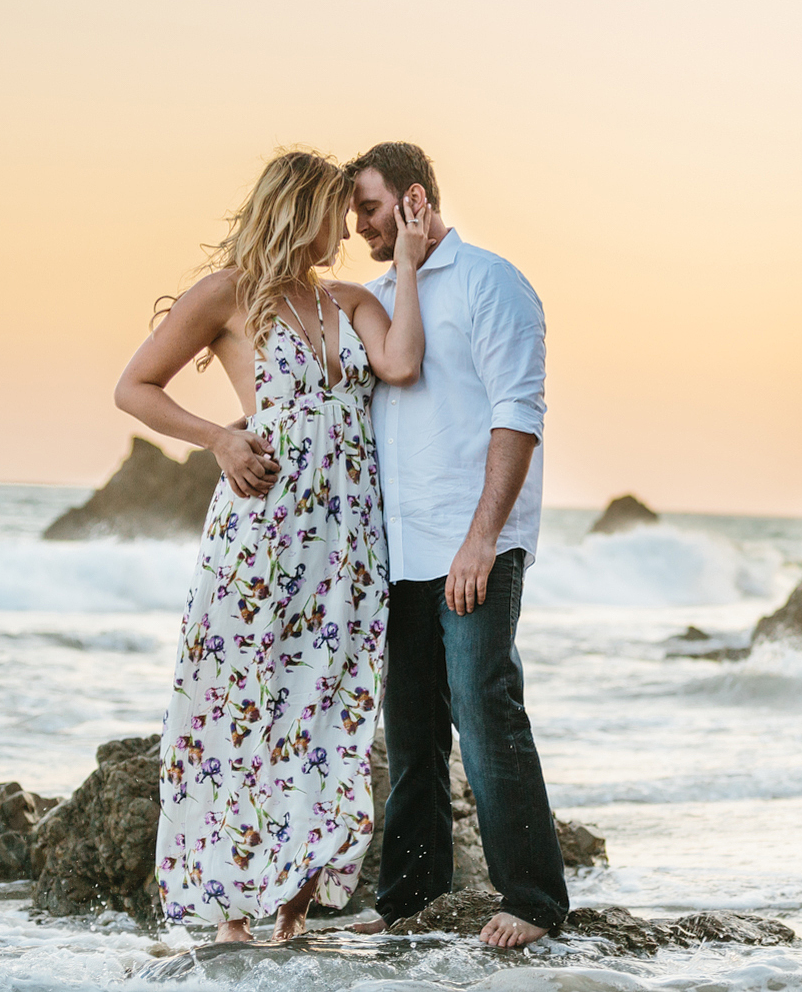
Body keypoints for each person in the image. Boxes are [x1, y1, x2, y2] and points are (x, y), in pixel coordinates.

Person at [115, 149, 430, 943]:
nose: (349, 228)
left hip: (350, 543)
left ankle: (290, 906)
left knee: (327, 711)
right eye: (338, 210)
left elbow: (401, 362)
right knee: (240, 702)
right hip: (261, 535)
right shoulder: (227, 296)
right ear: (301, 209)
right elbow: (135, 387)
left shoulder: (352, 300)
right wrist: (218, 437)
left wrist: (415, 269)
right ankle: (227, 914)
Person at [341, 141, 569, 949]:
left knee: (485, 708)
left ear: (414, 200)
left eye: (367, 208)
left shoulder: (492, 283)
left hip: (476, 546)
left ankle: (536, 900)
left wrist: (481, 540)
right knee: (409, 733)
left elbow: (519, 414)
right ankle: (410, 900)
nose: (356, 225)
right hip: (399, 556)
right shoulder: (377, 297)